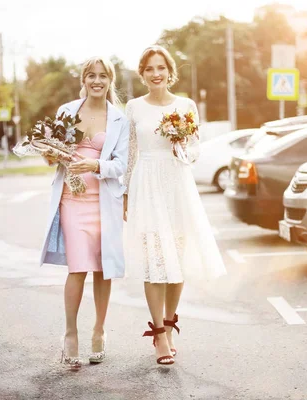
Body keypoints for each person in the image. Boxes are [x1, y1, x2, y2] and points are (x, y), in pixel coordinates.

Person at [123, 45, 227, 365]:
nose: (156, 74)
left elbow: (195, 151)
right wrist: (126, 194)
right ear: (142, 75)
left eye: (161, 68)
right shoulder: (134, 108)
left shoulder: (186, 105)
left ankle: (169, 324)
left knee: (175, 262)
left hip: (176, 184)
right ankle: (158, 336)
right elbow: (130, 153)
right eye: (150, 69)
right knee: (154, 260)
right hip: (146, 185)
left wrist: (181, 145)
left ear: (170, 72)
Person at [39, 56, 129, 370]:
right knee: (77, 268)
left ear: (110, 80)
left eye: (103, 76)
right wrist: (51, 154)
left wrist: (94, 165)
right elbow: (53, 153)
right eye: (91, 75)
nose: (97, 81)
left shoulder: (118, 118)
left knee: (103, 269)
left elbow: (122, 165)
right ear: (83, 79)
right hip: (72, 200)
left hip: (103, 201)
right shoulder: (67, 111)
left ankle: (100, 331)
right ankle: (70, 334)